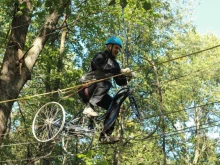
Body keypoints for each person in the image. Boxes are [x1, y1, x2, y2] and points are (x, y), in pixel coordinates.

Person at [78, 36, 131, 142]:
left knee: (114, 106)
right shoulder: (100, 55)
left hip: (99, 92)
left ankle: (105, 136)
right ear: (109, 46)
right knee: (106, 83)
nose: (117, 50)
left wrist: (127, 77)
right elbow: (101, 66)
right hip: (87, 87)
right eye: (116, 48)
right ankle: (90, 107)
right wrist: (120, 70)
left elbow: (119, 81)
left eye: (119, 49)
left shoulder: (115, 64)